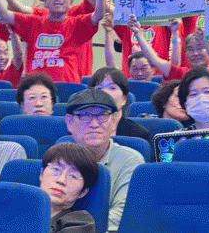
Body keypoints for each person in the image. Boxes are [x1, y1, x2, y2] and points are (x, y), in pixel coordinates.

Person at [0, 0, 105, 84]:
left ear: (71, 1)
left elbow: (99, 14)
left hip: (67, 87)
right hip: (35, 86)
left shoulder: (76, 24)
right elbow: (4, 14)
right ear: (45, 1)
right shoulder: (32, 22)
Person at [65, 88, 144, 232]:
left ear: (113, 121)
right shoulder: (58, 158)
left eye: (102, 115)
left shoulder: (130, 160)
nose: (94, 124)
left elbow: (123, 214)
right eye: (85, 115)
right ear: (69, 122)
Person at [40, 142, 97, 233]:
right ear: (41, 174)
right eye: (56, 169)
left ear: (83, 192)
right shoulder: (19, 206)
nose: (61, 180)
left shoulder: (81, 223)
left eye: (73, 176)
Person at [86, 67, 150, 141]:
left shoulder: (138, 136)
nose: (105, 92)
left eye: (112, 88)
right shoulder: (81, 131)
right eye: (99, 88)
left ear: (124, 98)